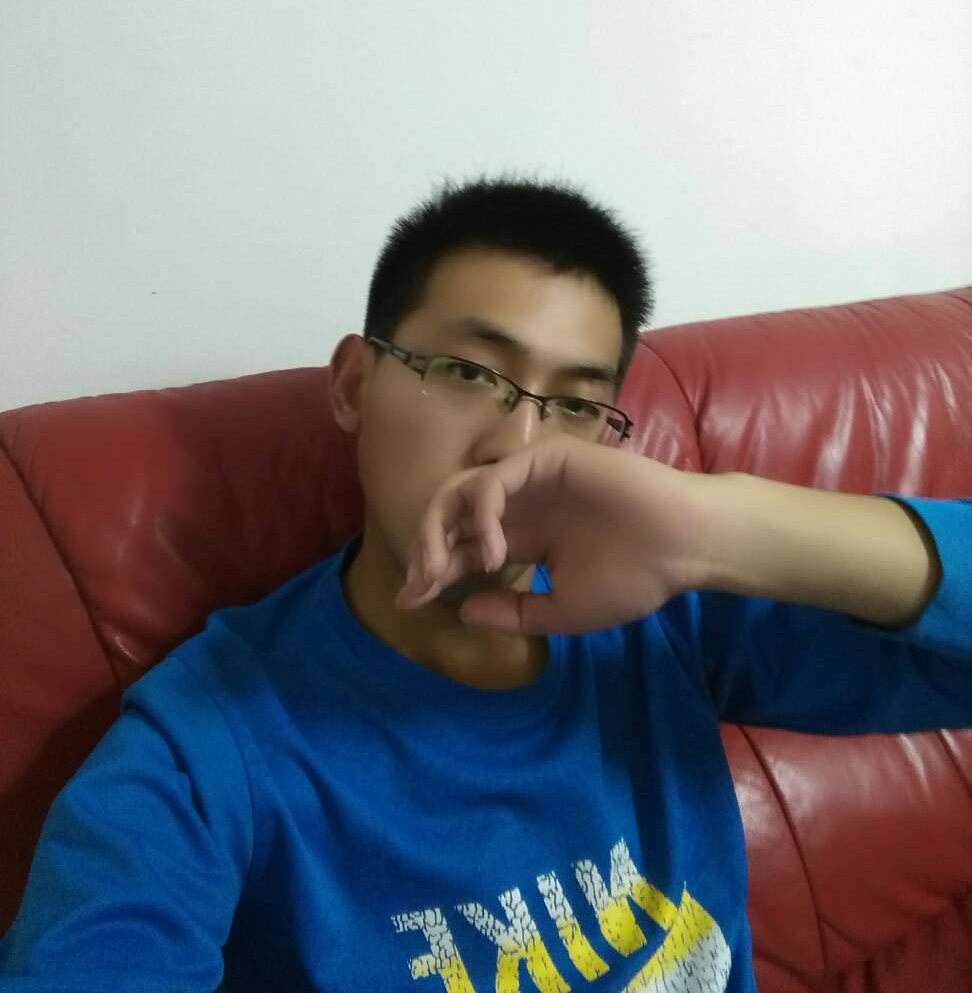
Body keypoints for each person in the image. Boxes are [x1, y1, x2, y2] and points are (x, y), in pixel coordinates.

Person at [0, 175, 969, 993]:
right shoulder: (207, 748)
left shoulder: (664, 610)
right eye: (469, 373)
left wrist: (713, 527)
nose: (517, 446)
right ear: (354, 384)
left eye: (576, 407)